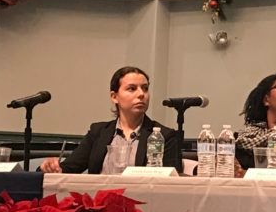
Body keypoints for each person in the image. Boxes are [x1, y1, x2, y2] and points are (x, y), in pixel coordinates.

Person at [40, 66, 180, 174]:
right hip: (99, 204)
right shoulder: (98, 132)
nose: (141, 94)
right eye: (132, 88)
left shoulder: (164, 136)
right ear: (114, 97)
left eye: (145, 88)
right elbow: (68, 169)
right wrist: (51, 167)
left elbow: (170, 182)